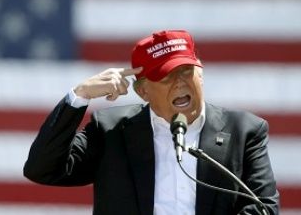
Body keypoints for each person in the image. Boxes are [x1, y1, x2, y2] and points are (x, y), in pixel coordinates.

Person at [24, 30, 280, 214]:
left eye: (186, 71)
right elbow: (42, 169)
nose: (180, 83)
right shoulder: (111, 129)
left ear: (200, 73)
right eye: (166, 76)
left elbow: (264, 207)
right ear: (143, 91)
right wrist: (79, 97)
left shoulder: (244, 131)